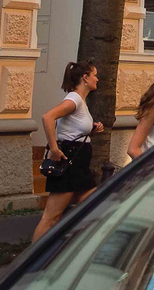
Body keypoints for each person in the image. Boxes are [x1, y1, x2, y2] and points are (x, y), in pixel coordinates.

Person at [33, 61, 105, 242]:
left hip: (79, 163)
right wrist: (54, 149)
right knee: (51, 217)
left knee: (94, 205)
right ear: (85, 78)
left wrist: (91, 131)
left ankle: (66, 249)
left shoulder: (80, 101)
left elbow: (72, 130)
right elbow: (48, 117)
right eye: (94, 75)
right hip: (70, 161)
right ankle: (29, 263)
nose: (97, 79)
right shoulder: (73, 100)